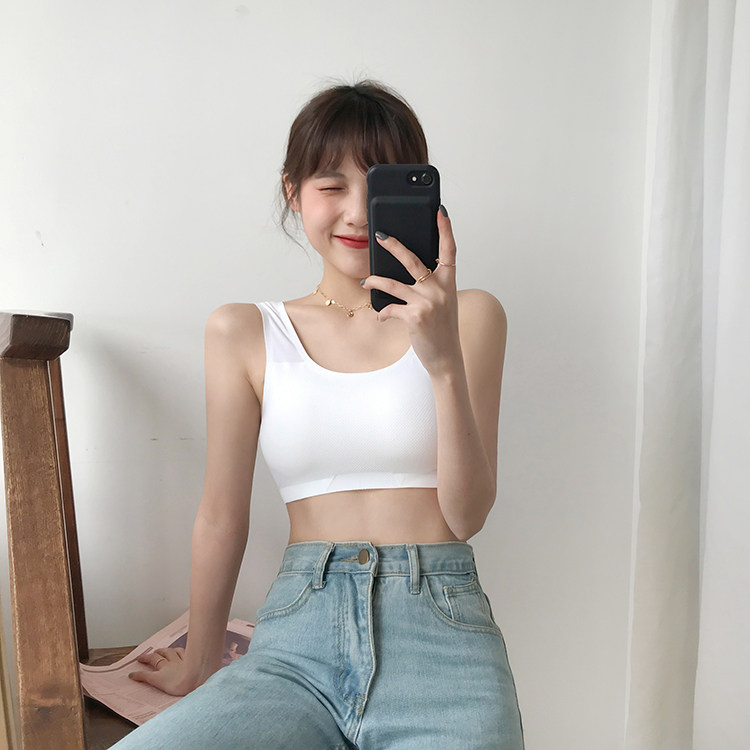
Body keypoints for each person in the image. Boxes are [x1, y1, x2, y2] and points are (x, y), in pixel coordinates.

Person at [112, 80, 524, 749]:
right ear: (293, 193)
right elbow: (220, 515)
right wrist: (197, 662)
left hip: (442, 642)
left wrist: (444, 361)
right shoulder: (244, 331)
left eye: (378, 186)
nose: (357, 212)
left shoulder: (471, 316)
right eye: (332, 185)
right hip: (296, 647)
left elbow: (467, 515)